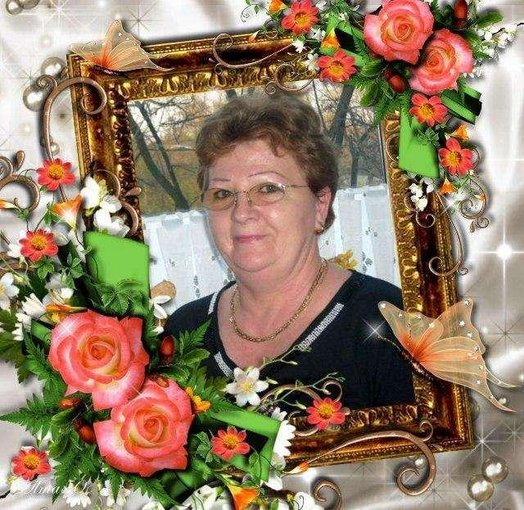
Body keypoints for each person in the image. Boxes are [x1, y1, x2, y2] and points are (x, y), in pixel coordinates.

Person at [164, 93, 415, 411]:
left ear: (320, 205)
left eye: (268, 189)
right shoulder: (184, 333)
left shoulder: (390, 325)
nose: (242, 213)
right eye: (223, 194)